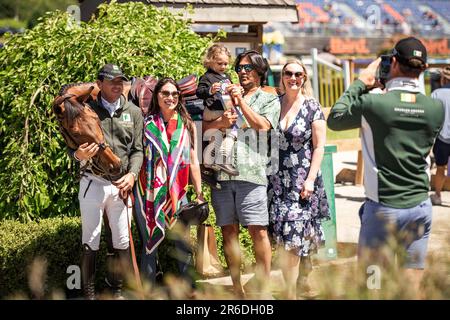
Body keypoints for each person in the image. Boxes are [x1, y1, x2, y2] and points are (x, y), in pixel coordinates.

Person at [327, 37, 444, 298]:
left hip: (383, 209)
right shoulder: (436, 108)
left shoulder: (374, 104)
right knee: (411, 284)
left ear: (392, 64)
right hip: (420, 207)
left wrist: (361, 82)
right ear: (423, 69)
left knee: (372, 284)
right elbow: (411, 102)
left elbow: (335, 119)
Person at [203, 50, 281, 298]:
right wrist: (220, 123)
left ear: (259, 72)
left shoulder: (268, 99)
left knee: (258, 231)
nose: (242, 72)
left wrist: (241, 102)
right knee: (228, 232)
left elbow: (262, 126)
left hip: (251, 173)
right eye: (239, 68)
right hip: (222, 176)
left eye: (248, 68)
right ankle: (236, 288)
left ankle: (263, 286)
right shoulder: (222, 93)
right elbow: (205, 129)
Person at [70, 63, 144, 299]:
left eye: (120, 80)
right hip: (93, 181)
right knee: (90, 240)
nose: (117, 85)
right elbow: (69, 142)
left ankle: (117, 291)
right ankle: (89, 295)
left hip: (121, 184)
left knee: (121, 239)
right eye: (111, 81)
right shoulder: (85, 110)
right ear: (99, 84)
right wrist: (77, 156)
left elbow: (138, 150)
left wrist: (132, 175)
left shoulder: (133, 111)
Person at [133, 77, 205, 297]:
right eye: (165, 93)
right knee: (150, 242)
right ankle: (148, 290)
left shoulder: (187, 124)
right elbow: (137, 155)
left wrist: (199, 193)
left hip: (178, 193)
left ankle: (189, 289)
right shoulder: (146, 123)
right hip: (149, 193)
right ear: (157, 96)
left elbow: (193, 159)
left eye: (175, 94)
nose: (170, 98)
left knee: (182, 242)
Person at [268, 59, 330, 299]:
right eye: (288, 73)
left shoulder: (313, 107)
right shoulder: (274, 103)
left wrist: (311, 179)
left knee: (294, 234)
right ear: (282, 76)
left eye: (298, 74)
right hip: (276, 180)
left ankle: (290, 292)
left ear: (304, 78)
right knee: (283, 235)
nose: (292, 78)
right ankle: (299, 281)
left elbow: (320, 146)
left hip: (301, 180)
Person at [196, 44, 239, 177]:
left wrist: (235, 90)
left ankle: (210, 163)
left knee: (218, 138)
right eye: (220, 63)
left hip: (223, 108)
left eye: (226, 64)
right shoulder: (207, 77)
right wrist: (210, 90)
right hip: (213, 110)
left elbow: (229, 93)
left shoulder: (226, 76)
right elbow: (199, 92)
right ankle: (222, 159)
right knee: (229, 132)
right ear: (210, 61)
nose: (223, 66)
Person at [430, 66, 450, 206]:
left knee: (441, 168)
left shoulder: (436, 93)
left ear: (443, 79)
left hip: (442, 138)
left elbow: (430, 117)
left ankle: (437, 195)